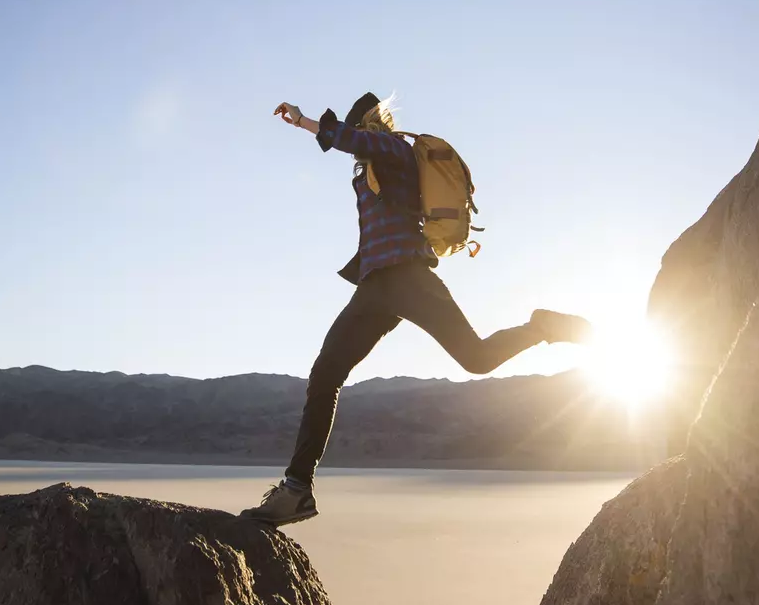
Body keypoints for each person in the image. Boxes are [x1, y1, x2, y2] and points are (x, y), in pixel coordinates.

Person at [240, 92, 593, 526]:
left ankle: (540, 327)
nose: (356, 137)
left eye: (359, 126)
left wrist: (305, 122)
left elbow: (357, 143)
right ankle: (297, 490)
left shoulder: (393, 149)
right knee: (326, 373)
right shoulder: (368, 172)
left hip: (409, 277)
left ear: (372, 124)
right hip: (374, 287)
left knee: (476, 358)